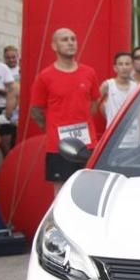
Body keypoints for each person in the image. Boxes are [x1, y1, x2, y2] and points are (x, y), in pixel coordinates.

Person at [30, 28, 101, 195]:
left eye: (73, 39)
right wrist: (54, 129)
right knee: (61, 191)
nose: (70, 42)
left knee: (88, 189)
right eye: (65, 39)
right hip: (58, 146)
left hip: (87, 143)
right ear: (54, 46)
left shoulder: (89, 72)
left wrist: (80, 119)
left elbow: (95, 102)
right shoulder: (45, 76)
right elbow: (36, 110)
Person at [100, 52, 135, 126]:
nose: (124, 67)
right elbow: (95, 105)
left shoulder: (136, 87)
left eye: (127, 64)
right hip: (114, 134)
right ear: (115, 68)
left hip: (133, 133)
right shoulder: (107, 85)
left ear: (132, 67)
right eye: (121, 64)